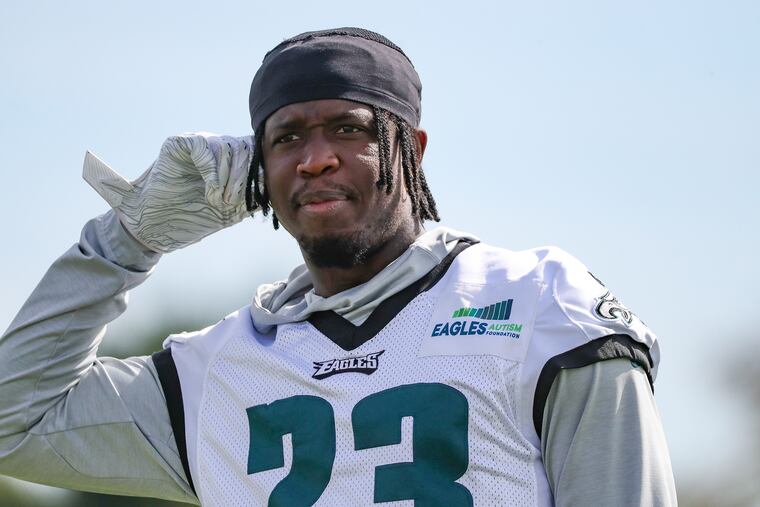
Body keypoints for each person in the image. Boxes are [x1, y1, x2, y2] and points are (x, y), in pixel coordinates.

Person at [0, 28, 677, 506]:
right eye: (286, 137)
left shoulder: (539, 305)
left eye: (349, 128)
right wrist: (127, 237)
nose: (315, 157)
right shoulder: (216, 371)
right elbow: (11, 426)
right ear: (261, 171)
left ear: (412, 149)